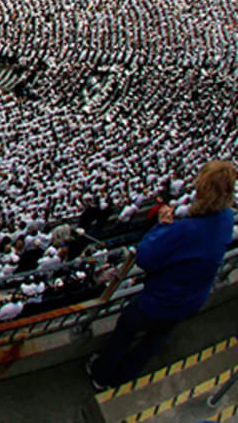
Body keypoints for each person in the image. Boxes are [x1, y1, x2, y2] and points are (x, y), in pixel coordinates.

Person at [88, 160, 237, 390]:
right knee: (154, 340)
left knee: (126, 329)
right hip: (193, 298)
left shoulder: (184, 230)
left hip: (161, 298)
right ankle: (121, 379)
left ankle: (101, 374)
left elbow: (145, 257)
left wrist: (163, 226)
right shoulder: (226, 217)